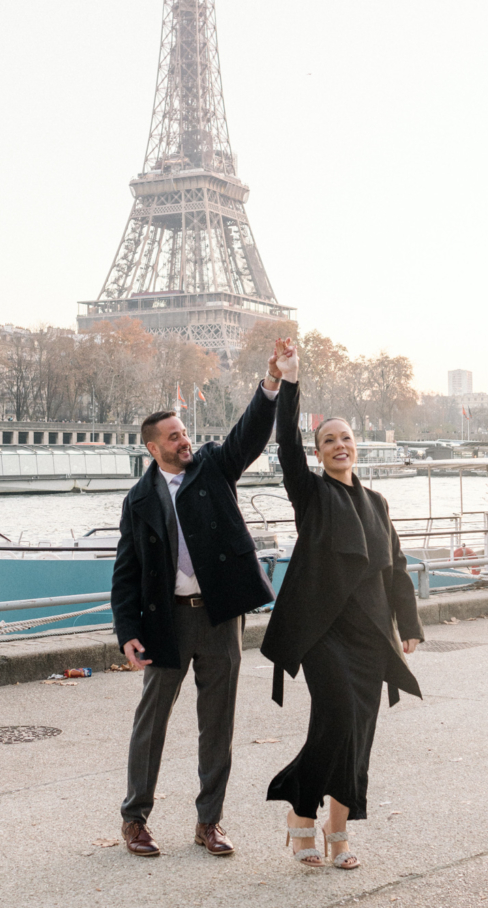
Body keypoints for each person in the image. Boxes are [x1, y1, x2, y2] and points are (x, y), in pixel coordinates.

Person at [260, 339, 423, 870]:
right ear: (320, 452)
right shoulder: (310, 495)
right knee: (335, 721)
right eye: (328, 440)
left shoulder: (377, 502)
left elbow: (395, 569)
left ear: (357, 446)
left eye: (345, 438)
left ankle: (337, 828)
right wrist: (288, 383)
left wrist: (409, 625)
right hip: (323, 634)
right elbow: (284, 444)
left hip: (371, 634)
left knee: (361, 733)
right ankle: (301, 812)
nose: (339, 445)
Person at [111, 358, 283, 858]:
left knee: (218, 723)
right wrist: (127, 633)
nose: (184, 441)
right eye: (173, 437)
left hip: (220, 616)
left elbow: (249, 435)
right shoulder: (138, 500)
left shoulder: (212, 466)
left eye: (184, 433)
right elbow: (125, 574)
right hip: (165, 621)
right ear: (152, 447)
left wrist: (269, 383)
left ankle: (209, 822)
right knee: (151, 722)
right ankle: (135, 819)